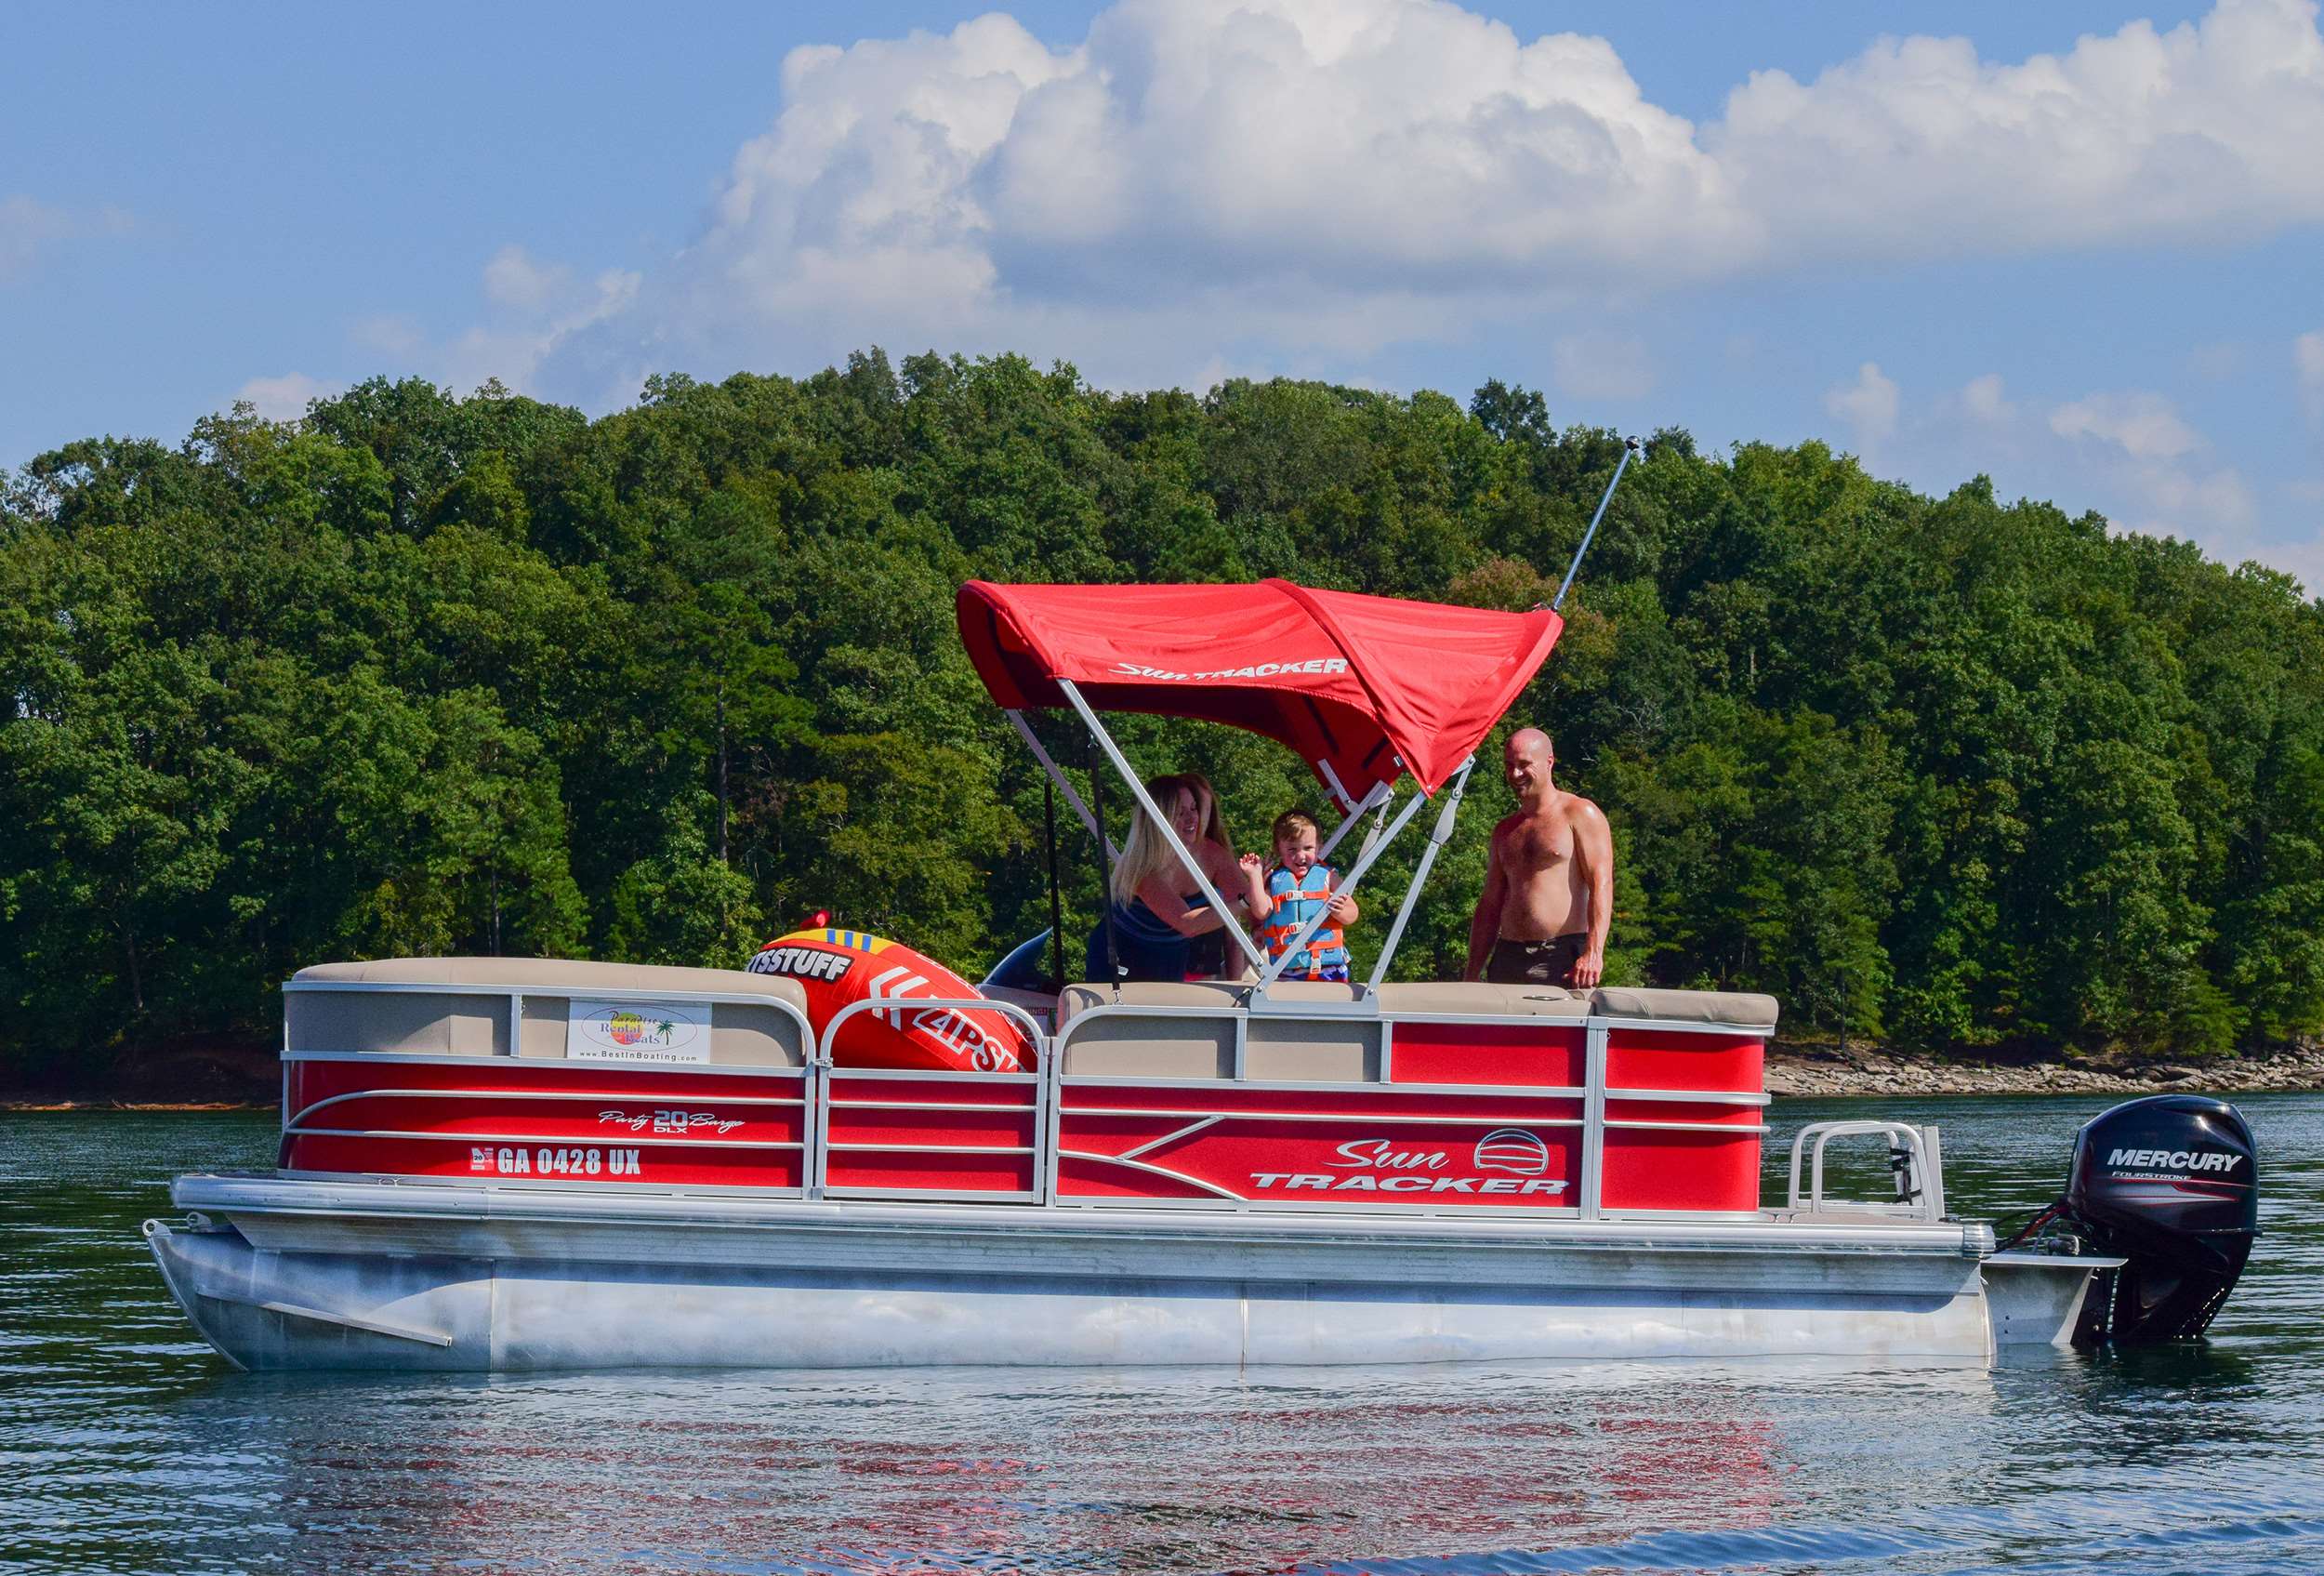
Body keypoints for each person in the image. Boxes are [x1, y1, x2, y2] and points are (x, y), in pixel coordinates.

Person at [1464, 729, 1612, 989]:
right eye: (1509, 766)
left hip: (1560, 958)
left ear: (1549, 762)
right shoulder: (1505, 830)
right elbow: (1490, 903)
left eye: (1524, 765)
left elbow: (1602, 884)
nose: (1515, 774)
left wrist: (1594, 953)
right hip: (1507, 957)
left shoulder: (1579, 814)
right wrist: (1472, 972)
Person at [1086, 773, 1269, 982]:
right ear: (1158, 819)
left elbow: (1255, 907)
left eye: (1193, 808)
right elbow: (1188, 924)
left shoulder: (1211, 853)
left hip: (1171, 956)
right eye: (1180, 813)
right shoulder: (1142, 868)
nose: (1192, 818)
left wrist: (1259, 924)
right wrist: (1245, 901)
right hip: (1121, 957)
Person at [1253, 811, 1360, 982]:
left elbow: (1352, 913)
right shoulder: (1275, 880)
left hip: (1328, 970)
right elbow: (1261, 911)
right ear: (1278, 849)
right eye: (1292, 849)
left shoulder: (1329, 876)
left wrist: (1340, 911)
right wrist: (1255, 877)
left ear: (1319, 846)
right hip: (1287, 970)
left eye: (1308, 848)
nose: (1301, 856)